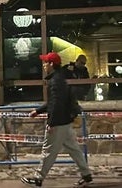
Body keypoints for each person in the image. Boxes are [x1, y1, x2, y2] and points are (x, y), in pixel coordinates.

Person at [21, 52, 92, 188]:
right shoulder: (60, 78)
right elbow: (55, 101)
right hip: (65, 121)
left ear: (52, 64)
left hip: (58, 122)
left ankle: (38, 178)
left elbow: (56, 103)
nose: (44, 65)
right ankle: (86, 175)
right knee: (74, 149)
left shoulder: (55, 81)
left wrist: (51, 123)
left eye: (45, 62)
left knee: (48, 150)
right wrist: (38, 111)